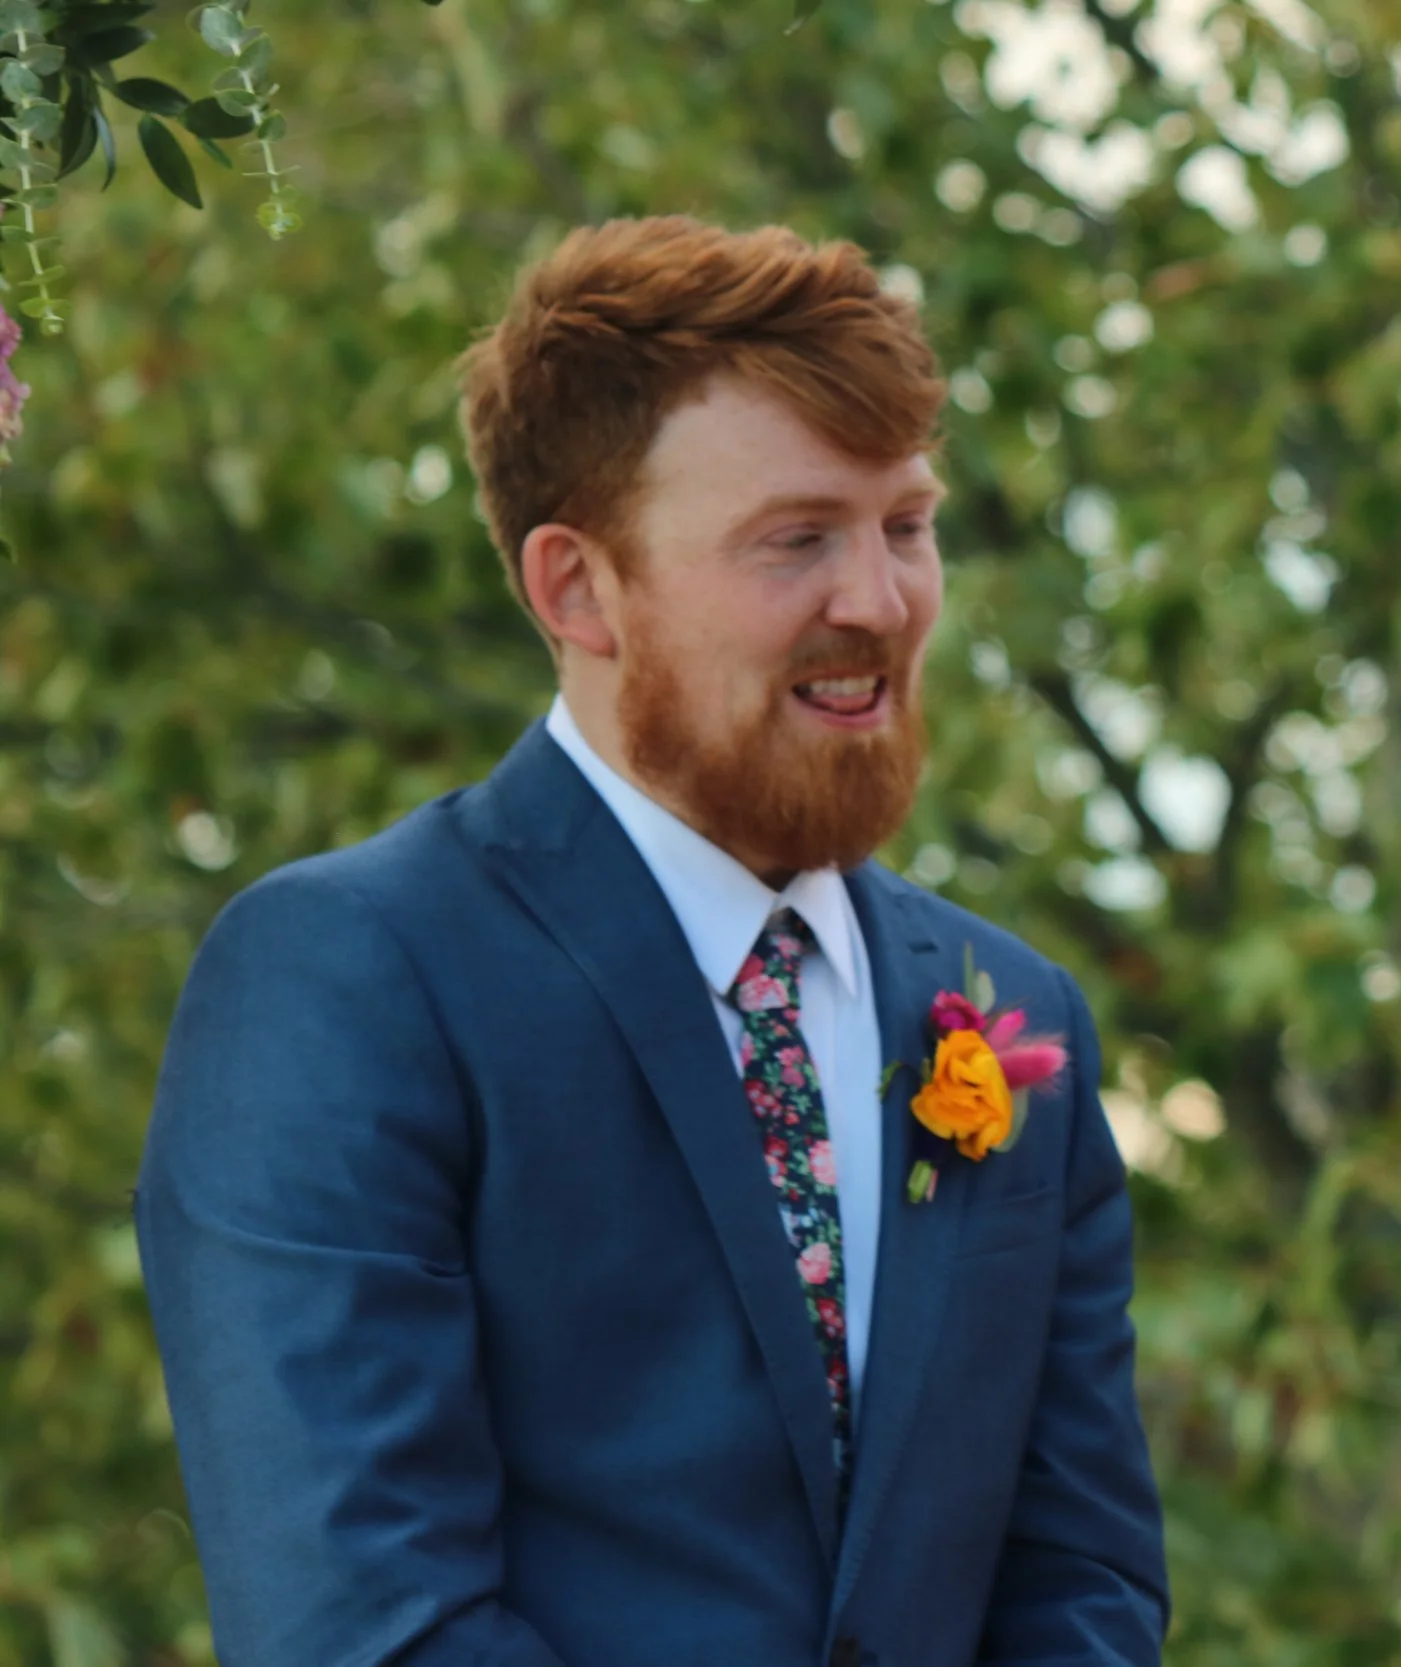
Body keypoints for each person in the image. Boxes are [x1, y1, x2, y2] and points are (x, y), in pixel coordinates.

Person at [133, 216, 1167, 1667]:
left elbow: (1081, 1583)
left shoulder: (1015, 1009)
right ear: (577, 588)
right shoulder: (351, 975)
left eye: (906, 525)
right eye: (797, 538)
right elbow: (367, 1624)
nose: (879, 601)